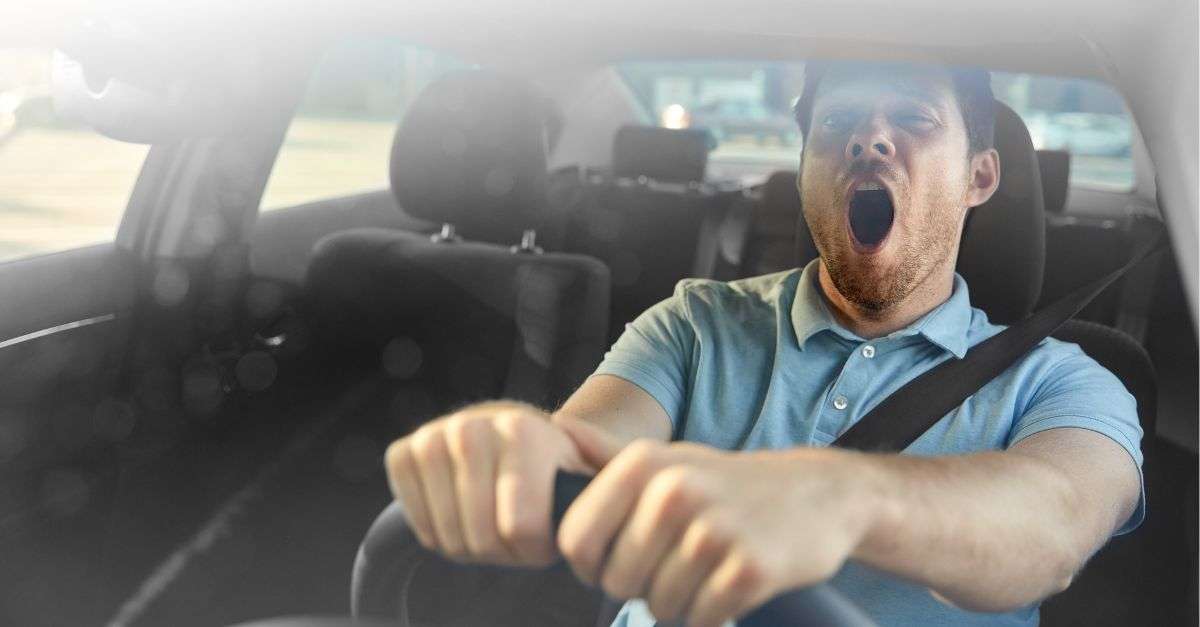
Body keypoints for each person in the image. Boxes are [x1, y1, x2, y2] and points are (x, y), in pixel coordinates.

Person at [383, 61, 1144, 627]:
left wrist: (841, 494)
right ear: (806, 167)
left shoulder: (1066, 381)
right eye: (837, 125)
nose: (869, 141)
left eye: (912, 120)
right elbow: (583, 447)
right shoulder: (694, 323)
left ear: (980, 176)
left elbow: (1053, 525)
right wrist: (509, 454)